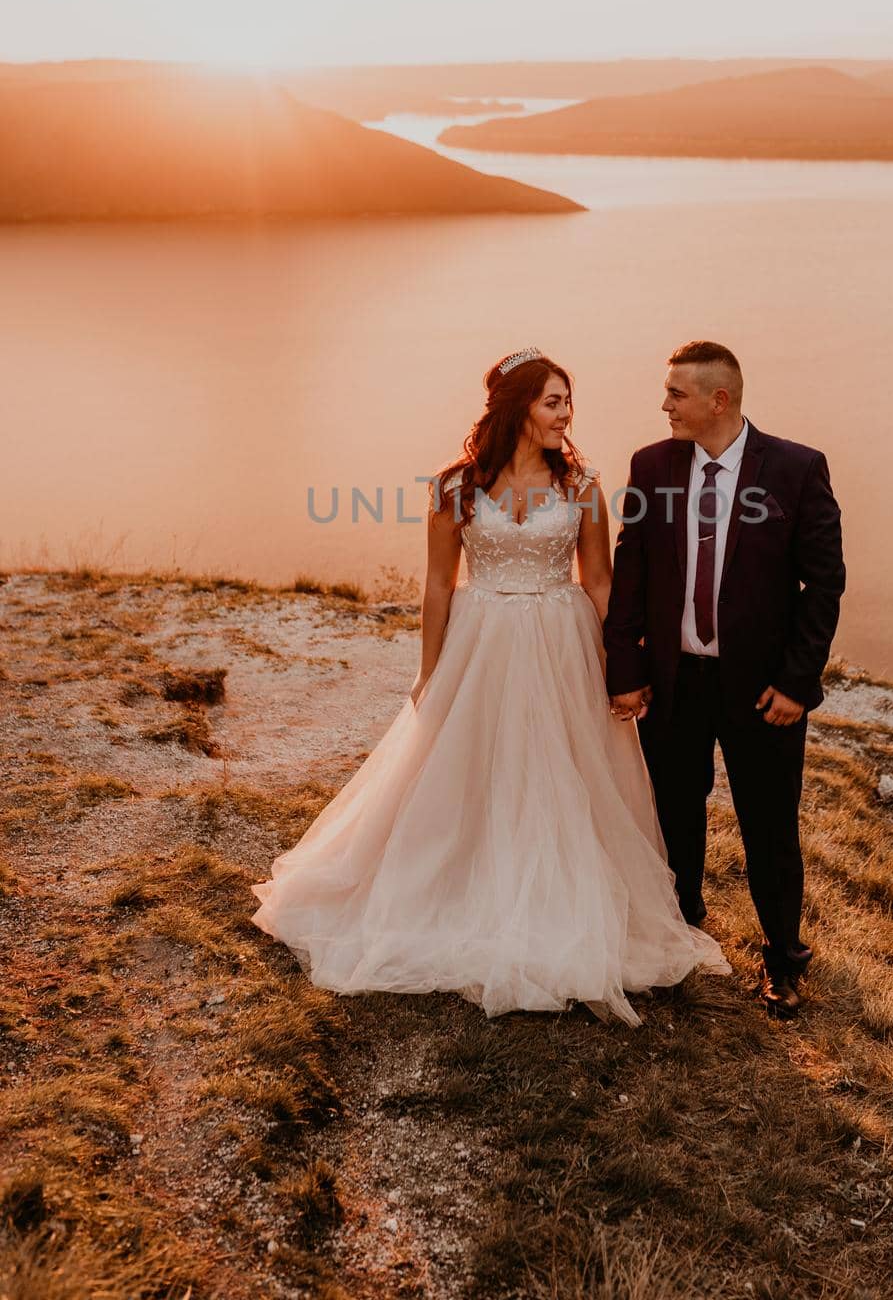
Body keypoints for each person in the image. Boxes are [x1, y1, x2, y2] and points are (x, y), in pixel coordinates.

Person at [250, 347, 730, 1026]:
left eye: (568, 402)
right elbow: (439, 584)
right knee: (473, 771)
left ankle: (563, 900)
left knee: (564, 773)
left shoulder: (583, 486)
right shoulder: (455, 488)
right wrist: (430, 671)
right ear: (518, 409)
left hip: (563, 646)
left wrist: (627, 666)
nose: (566, 415)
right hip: (484, 642)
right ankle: (461, 893)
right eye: (552, 402)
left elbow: (598, 581)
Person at [603, 340, 845, 1019]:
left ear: (719, 399)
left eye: (675, 394)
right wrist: (626, 667)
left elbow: (824, 583)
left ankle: (783, 958)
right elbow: (633, 571)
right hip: (673, 685)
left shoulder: (797, 470)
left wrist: (798, 684)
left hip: (763, 690)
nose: (663, 405)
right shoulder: (651, 467)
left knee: (769, 827)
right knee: (673, 816)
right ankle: (679, 934)